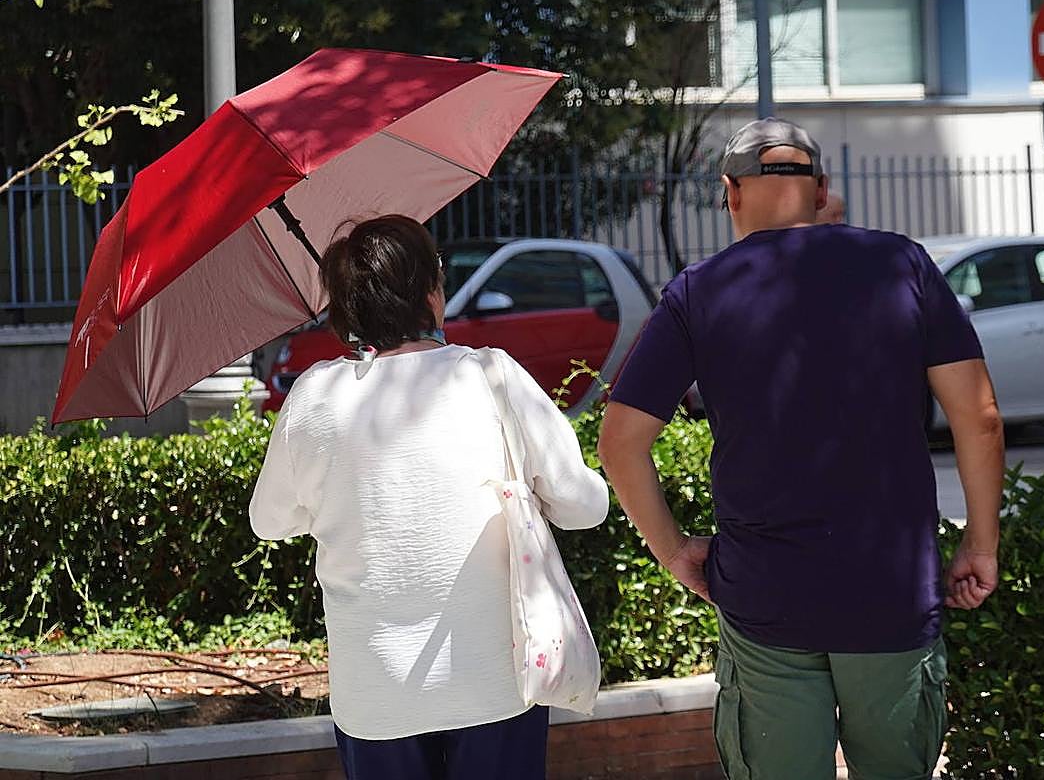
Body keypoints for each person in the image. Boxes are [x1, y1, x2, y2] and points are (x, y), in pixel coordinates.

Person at [597, 118, 1003, 780]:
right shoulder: (903, 265)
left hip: (765, 597)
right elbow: (979, 418)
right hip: (891, 592)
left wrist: (674, 552)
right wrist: (979, 545)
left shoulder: (698, 291)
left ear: (731, 192)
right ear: (820, 189)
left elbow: (620, 443)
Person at [250, 215, 609, 780]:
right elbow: (584, 507)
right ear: (430, 295)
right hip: (496, 683)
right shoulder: (490, 376)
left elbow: (269, 521)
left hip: (374, 695)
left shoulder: (312, 398)